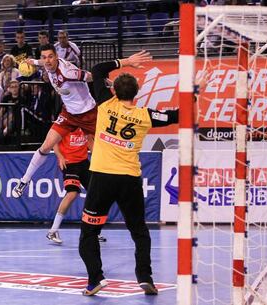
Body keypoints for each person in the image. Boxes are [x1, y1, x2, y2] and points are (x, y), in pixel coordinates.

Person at [78, 51, 179, 296]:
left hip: (102, 178)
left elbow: (99, 70)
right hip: (129, 180)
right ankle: (145, 278)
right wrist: (194, 93)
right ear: (136, 93)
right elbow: (176, 115)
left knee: (89, 232)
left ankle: (95, 279)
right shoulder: (144, 115)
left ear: (114, 91)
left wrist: (126, 62)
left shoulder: (105, 104)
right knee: (139, 232)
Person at [12, 44, 96, 198]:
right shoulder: (45, 64)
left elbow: (90, 76)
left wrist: (110, 83)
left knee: (101, 150)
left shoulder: (67, 72)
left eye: (50, 56)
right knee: (45, 146)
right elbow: (41, 62)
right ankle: (24, 180)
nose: (47, 60)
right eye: (44, 57)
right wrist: (33, 62)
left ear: (57, 56)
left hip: (88, 113)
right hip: (69, 114)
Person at [47, 127, 106, 244]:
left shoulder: (86, 125)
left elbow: (90, 141)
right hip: (69, 163)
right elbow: (53, 142)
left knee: (96, 194)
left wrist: (100, 159)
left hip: (84, 163)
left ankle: (94, 231)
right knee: (72, 193)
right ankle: (53, 231)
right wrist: (60, 157)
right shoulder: (65, 124)